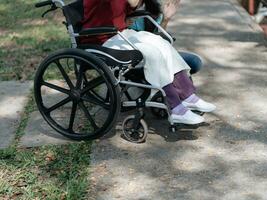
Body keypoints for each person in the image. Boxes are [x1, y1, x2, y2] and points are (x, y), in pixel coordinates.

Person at [81, 0, 216, 125]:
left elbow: (131, 7)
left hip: (120, 34)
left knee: (162, 43)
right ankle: (176, 108)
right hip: (101, 40)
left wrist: (127, 18)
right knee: (151, 52)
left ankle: (188, 96)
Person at [128, 0, 203, 74]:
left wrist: (165, 20)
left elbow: (158, 38)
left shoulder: (153, 7)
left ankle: (142, 74)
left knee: (195, 62)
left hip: (151, 52)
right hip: (129, 53)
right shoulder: (121, 6)